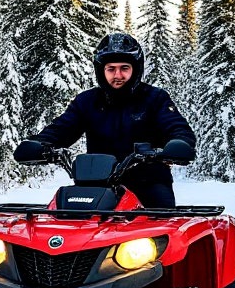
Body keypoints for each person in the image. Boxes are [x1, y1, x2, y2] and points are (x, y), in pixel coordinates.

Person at [17, 32, 196, 208]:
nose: (118, 75)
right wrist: (39, 144)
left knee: (161, 216)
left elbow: (177, 127)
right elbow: (61, 128)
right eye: (111, 69)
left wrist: (179, 144)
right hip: (96, 185)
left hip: (147, 184)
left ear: (135, 69)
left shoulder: (155, 99)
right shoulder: (87, 102)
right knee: (65, 216)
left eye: (124, 68)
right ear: (101, 70)